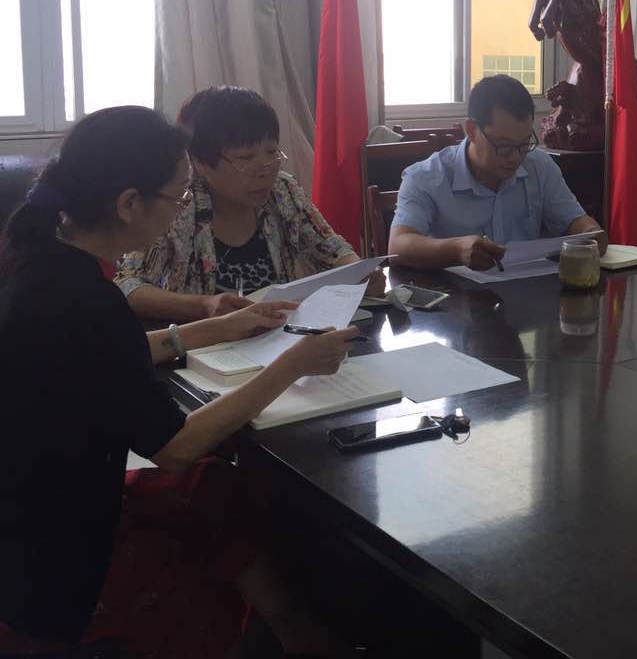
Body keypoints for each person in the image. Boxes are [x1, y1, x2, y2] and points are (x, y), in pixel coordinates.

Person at [0, 106, 358, 657]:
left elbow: (96, 357)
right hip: (57, 565)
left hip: (34, 512)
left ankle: (296, 629)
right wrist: (292, 364)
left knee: (215, 491)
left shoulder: (43, 261)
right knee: (209, 550)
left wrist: (213, 328)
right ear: (129, 203)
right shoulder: (86, 299)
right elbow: (175, 447)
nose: (181, 209)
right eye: (178, 195)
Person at [118, 86, 364, 322]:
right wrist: (204, 305)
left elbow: (333, 251)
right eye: (245, 157)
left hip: (277, 334)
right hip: (205, 342)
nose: (265, 170)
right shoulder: (178, 204)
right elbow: (128, 286)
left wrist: (361, 273)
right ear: (200, 162)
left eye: (272, 151)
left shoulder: (282, 189)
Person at [389, 74, 606, 270]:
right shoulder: (425, 177)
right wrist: (456, 250)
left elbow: (574, 220)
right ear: (472, 130)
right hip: (454, 297)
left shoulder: (539, 166)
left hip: (526, 291)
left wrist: (591, 234)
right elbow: (398, 246)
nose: (515, 157)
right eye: (504, 146)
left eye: (524, 144)